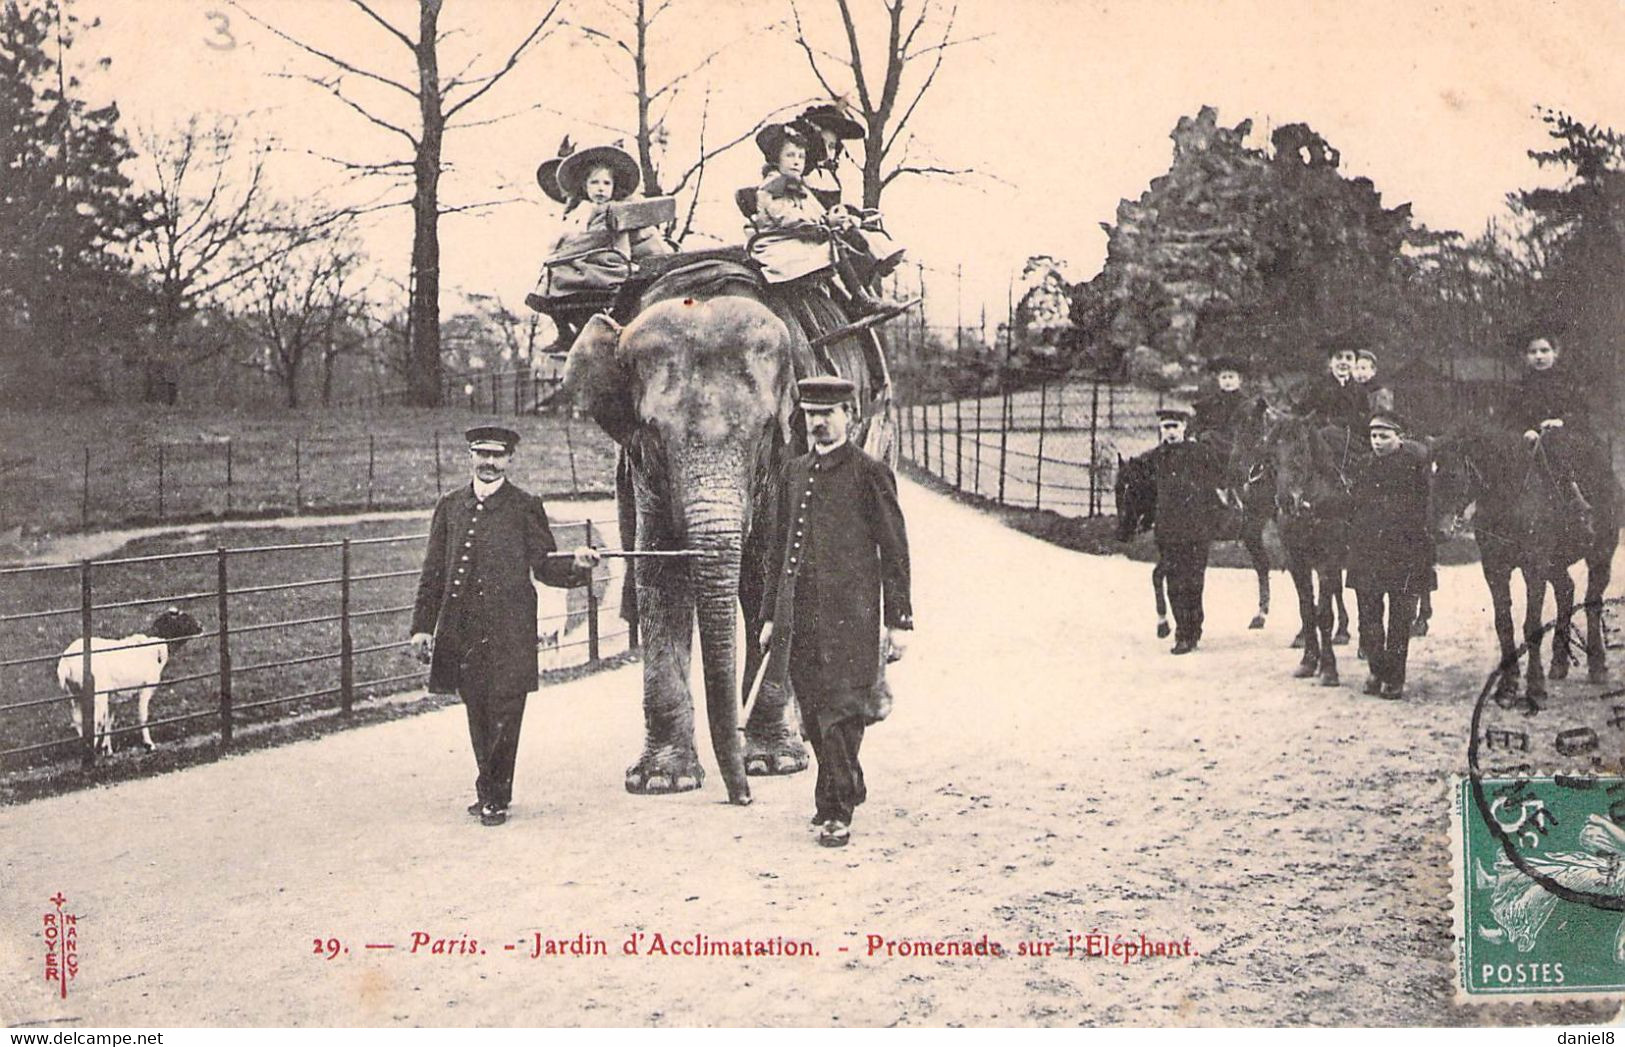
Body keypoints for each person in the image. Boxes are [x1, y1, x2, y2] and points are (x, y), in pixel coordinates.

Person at [410, 424, 601, 827]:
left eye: (498, 456)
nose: (490, 463)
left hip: (510, 630)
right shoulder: (450, 506)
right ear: (471, 457)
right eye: (482, 454)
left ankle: (495, 795)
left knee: (506, 711)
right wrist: (422, 627)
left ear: (510, 459)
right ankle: (490, 789)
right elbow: (434, 573)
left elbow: (545, 564)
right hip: (462, 631)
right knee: (477, 710)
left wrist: (576, 566)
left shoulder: (524, 505)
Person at [758, 376, 913, 849]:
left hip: (853, 616)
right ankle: (848, 782)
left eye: (828, 414)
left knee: (842, 709)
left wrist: (898, 620)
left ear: (850, 415)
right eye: (810, 414)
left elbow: (895, 550)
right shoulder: (794, 472)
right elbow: (778, 550)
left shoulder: (870, 473)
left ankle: (835, 810)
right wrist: (769, 615)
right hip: (799, 617)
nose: (819, 423)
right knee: (811, 706)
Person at [532, 143, 671, 346]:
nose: (600, 188)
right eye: (594, 183)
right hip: (606, 256)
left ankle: (566, 331)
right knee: (556, 271)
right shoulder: (588, 210)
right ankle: (569, 330)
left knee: (556, 273)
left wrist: (560, 254)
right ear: (585, 187)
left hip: (614, 261)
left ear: (613, 187)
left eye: (606, 183)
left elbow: (600, 240)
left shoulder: (613, 209)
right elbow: (587, 238)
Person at [747, 122, 890, 315]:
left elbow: (811, 213)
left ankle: (865, 285)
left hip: (789, 238)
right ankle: (859, 298)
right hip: (775, 243)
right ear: (776, 159)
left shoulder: (794, 185)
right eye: (790, 156)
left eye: (801, 156)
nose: (797, 162)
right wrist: (821, 225)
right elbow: (787, 218)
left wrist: (829, 219)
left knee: (841, 240)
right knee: (833, 248)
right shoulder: (773, 187)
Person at [1345, 412, 1431, 699]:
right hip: (1367, 551)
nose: (1378, 442)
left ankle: (1395, 677)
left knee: (1399, 617)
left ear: (1399, 437)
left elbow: (1426, 505)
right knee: (1369, 616)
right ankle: (1376, 670)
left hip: (1403, 551)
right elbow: (1351, 505)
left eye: (1384, 436)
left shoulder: (1414, 465)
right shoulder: (1363, 465)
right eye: (1373, 436)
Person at [791, 103, 906, 289]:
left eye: (832, 146)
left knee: (865, 234)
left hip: (834, 225)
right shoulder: (803, 175)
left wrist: (851, 213)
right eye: (824, 145)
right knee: (850, 241)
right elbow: (806, 207)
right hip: (814, 230)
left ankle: (877, 267)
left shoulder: (828, 176)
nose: (828, 153)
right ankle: (858, 293)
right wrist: (830, 219)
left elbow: (836, 204)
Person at [1509, 330, 1606, 530]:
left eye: (1544, 350)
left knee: (1558, 451)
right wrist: (1526, 430)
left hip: (1566, 436)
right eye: (1532, 351)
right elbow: (1512, 417)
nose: (1538, 356)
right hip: (1531, 440)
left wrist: (1560, 422)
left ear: (1556, 352)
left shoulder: (1568, 381)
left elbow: (1581, 413)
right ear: (1525, 356)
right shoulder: (1521, 385)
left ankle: (1576, 499)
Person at [1149, 407, 1224, 655]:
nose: (1170, 432)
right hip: (1168, 530)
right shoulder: (1155, 457)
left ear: (1184, 428)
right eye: (1166, 427)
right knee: (1174, 581)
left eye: (1175, 427)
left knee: (1194, 580)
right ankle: (1182, 633)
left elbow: (1214, 486)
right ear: (1160, 429)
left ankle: (1194, 627)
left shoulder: (1200, 453)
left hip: (1195, 528)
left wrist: (1210, 521)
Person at [1300, 335, 1370, 433]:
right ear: (1330, 362)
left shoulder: (1360, 390)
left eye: (1349, 358)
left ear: (1355, 363)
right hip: (1323, 438)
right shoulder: (1317, 387)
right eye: (1339, 357)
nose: (1343, 362)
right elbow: (1304, 414)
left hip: (1350, 439)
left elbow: (1365, 416)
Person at [1352, 349, 1394, 415]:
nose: (1359, 372)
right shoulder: (1352, 390)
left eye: (1363, 368)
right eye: (1356, 368)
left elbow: (1383, 415)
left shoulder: (1379, 392)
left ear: (1373, 371)